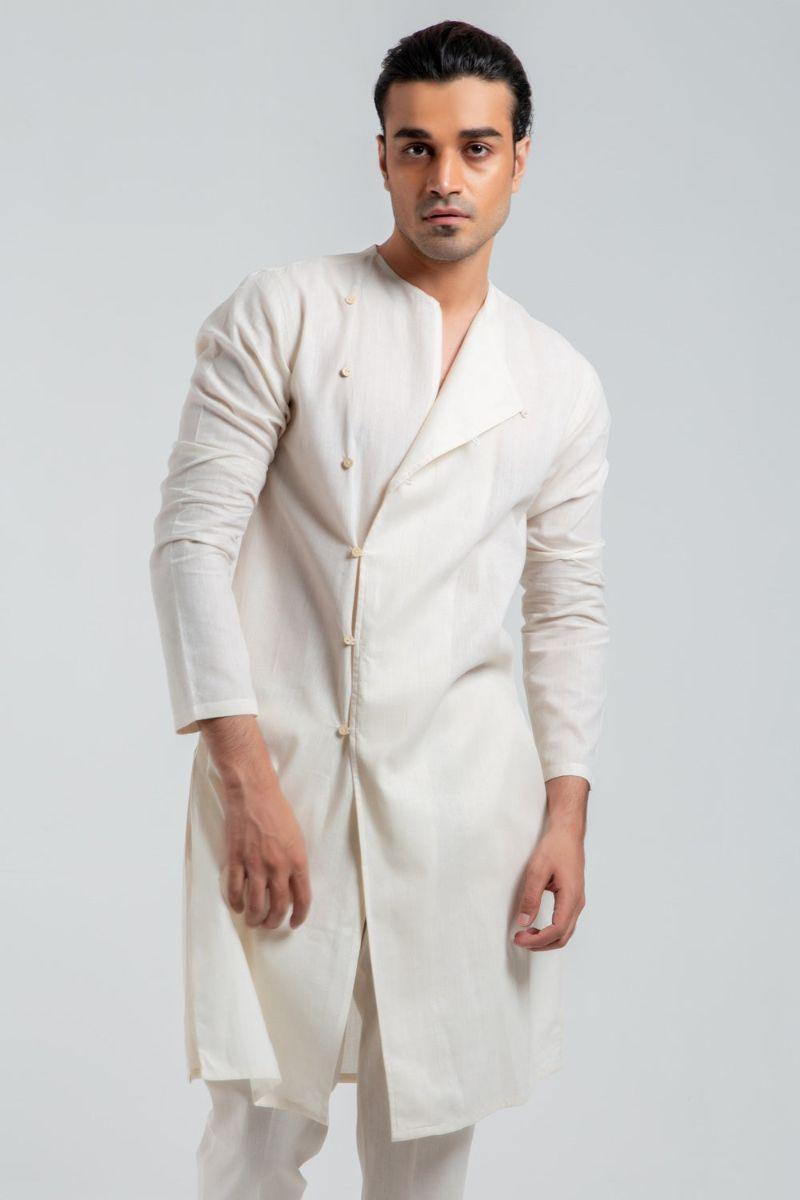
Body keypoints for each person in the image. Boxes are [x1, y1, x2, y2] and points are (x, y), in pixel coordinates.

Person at [149, 18, 611, 1199]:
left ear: (517, 159)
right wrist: (245, 785)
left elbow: (564, 608)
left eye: (474, 147)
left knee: (425, 1145)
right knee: (255, 1138)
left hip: (463, 807)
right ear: (381, 157)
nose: (443, 177)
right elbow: (191, 546)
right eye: (417, 147)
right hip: (286, 782)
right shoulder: (285, 312)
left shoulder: (555, 381)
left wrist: (564, 812)